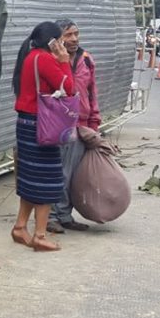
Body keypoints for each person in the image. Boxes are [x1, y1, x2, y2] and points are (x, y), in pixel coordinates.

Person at [11, 21, 74, 252]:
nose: (63, 44)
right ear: (52, 42)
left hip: (27, 123)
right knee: (48, 179)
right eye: (60, 40)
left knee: (30, 178)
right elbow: (69, 88)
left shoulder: (30, 57)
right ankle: (39, 234)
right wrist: (65, 63)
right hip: (43, 125)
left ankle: (20, 227)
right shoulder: (45, 59)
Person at [48, 19, 100, 234]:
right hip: (56, 125)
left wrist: (94, 122)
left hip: (81, 126)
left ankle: (65, 215)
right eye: (69, 35)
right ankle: (50, 216)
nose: (74, 39)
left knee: (73, 174)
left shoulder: (86, 60)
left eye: (76, 34)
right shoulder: (49, 59)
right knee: (55, 173)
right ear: (58, 38)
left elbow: (92, 92)